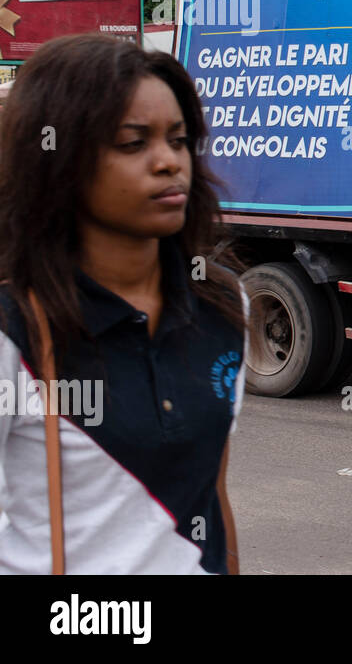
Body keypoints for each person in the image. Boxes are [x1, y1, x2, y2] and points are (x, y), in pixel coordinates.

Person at [0, 34, 247, 574]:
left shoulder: (224, 304)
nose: (168, 162)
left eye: (178, 140)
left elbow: (213, 496)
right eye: (133, 144)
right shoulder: (14, 327)